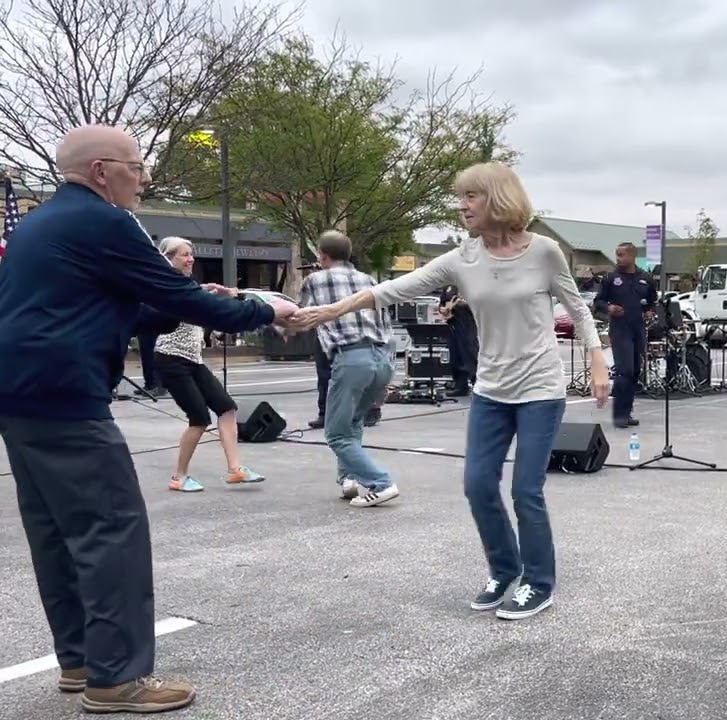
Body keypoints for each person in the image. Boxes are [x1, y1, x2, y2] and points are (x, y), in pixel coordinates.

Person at [0, 125, 297, 714]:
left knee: (58, 533)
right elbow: (185, 301)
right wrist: (264, 308)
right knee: (111, 530)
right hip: (67, 395)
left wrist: (175, 301)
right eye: (137, 167)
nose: (144, 178)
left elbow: (119, 303)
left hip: (21, 396)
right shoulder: (104, 221)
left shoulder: (43, 223)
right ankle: (116, 679)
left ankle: (81, 659)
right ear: (104, 170)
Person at [293, 161, 609, 620]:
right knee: (478, 484)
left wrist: (598, 358)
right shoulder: (463, 259)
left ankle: (539, 583)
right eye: (460, 197)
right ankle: (504, 569)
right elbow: (391, 290)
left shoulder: (544, 252)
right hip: (491, 390)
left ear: (499, 198)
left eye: (471, 196)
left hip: (541, 387)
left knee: (526, 490)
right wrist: (328, 311)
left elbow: (577, 308)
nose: (462, 205)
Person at [152, 236, 267, 492]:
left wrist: (223, 294)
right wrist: (212, 297)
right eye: (184, 254)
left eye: (191, 254)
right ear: (168, 258)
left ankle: (235, 470)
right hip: (171, 359)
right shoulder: (164, 285)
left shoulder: (187, 285)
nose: (190, 259)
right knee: (199, 418)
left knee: (227, 408)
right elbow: (187, 300)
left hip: (193, 360)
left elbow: (196, 296)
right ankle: (179, 477)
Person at [298, 230, 399, 507]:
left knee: (336, 433)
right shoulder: (368, 280)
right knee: (354, 421)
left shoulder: (314, 280)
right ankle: (349, 479)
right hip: (382, 359)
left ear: (323, 255)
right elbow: (386, 324)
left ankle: (382, 482)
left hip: (352, 358)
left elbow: (300, 318)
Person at [593, 242, 657, 428]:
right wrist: (609, 308)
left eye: (621, 255)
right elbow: (598, 302)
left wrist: (650, 311)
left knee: (635, 370)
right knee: (625, 370)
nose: (618, 258)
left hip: (638, 329)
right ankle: (620, 414)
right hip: (620, 330)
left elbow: (652, 302)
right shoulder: (611, 278)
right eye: (617, 255)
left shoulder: (645, 278)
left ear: (632, 256)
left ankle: (627, 411)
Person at [440, 284, 479, 397]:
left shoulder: (469, 284)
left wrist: (459, 304)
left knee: (470, 354)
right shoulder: (448, 287)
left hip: (468, 324)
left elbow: (477, 303)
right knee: (456, 356)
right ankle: (460, 386)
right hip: (453, 324)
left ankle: (476, 383)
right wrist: (444, 310)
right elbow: (442, 303)